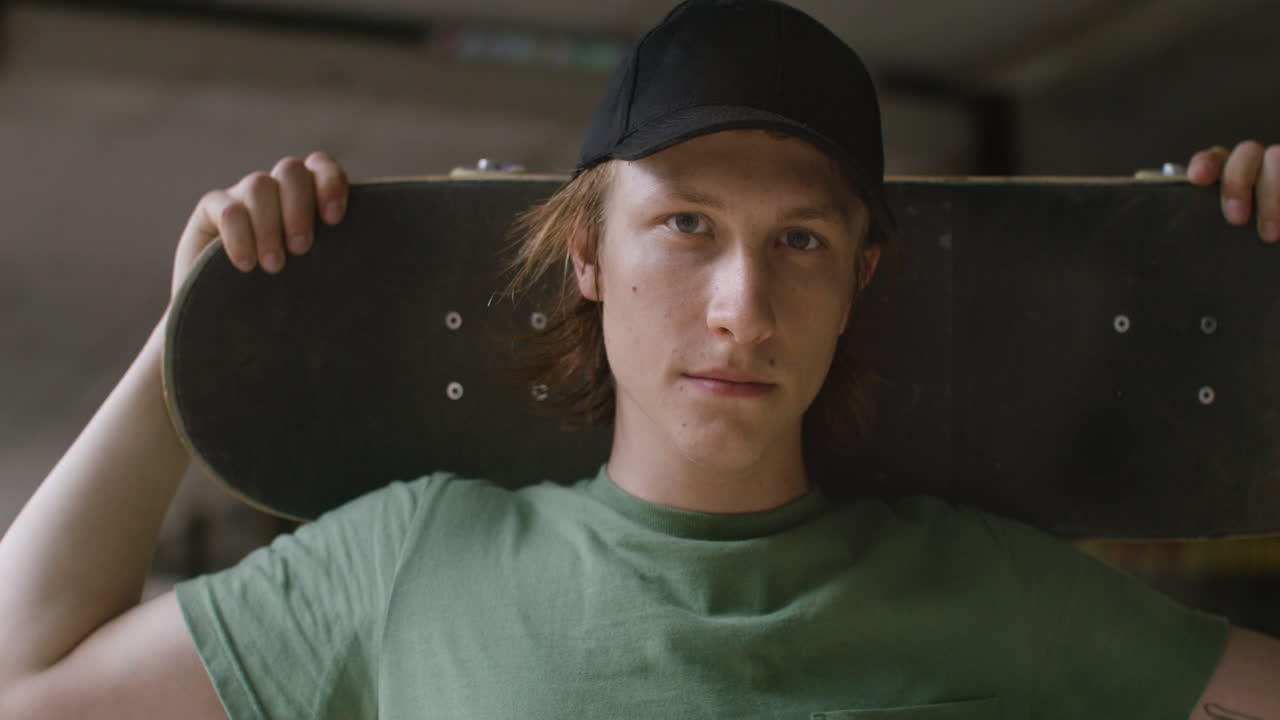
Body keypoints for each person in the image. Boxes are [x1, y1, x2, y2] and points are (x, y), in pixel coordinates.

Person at [1, 0, 1278, 717]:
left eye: (799, 241)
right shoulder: (410, 564)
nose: (742, 308)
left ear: (859, 281)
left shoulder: (982, 587)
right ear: (586, 258)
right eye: (683, 227)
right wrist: (191, 334)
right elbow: (25, 682)